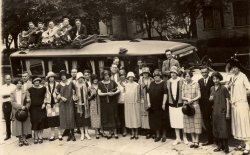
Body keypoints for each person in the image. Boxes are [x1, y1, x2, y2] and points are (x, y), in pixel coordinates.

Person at [228, 59, 250, 155]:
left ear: (238, 68)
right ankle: (242, 143)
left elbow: (249, 88)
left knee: (244, 124)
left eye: (235, 67)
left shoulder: (243, 76)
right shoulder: (232, 77)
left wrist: (243, 96)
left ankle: (248, 145)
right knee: (237, 125)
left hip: (242, 104)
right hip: (234, 105)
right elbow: (229, 89)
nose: (234, 69)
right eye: (232, 68)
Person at [166, 66, 188, 145]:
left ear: (177, 73)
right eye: (171, 73)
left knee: (182, 121)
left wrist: (185, 101)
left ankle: (184, 137)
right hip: (172, 104)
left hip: (180, 104)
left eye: (174, 72)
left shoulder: (181, 80)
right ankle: (177, 138)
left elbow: (185, 90)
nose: (172, 74)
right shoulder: (168, 81)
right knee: (175, 121)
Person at [210, 72, 230, 154]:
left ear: (220, 78)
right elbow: (211, 99)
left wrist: (228, 113)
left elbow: (228, 101)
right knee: (216, 129)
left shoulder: (224, 88)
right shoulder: (211, 88)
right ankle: (219, 146)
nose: (215, 80)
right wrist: (210, 99)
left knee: (224, 130)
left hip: (222, 112)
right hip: (215, 112)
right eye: (214, 79)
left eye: (217, 78)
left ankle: (226, 147)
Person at [182, 70, 202, 148]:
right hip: (187, 107)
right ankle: (193, 140)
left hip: (195, 105)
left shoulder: (196, 84)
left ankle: (197, 141)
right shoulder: (183, 85)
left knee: (196, 123)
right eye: (185, 76)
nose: (187, 78)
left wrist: (192, 100)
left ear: (191, 76)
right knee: (190, 123)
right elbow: (182, 96)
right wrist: (187, 99)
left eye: (188, 76)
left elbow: (199, 95)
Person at [98, 70, 120, 139]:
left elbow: (118, 89)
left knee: (113, 116)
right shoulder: (100, 83)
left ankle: (115, 133)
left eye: (108, 75)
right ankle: (110, 133)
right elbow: (99, 93)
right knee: (107, 117)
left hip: (112, 103)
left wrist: (114, 93)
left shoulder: (112, 82)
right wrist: (107, 94)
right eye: (105, 75)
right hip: (104, 103)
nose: (106, 76)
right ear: (103, 76)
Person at [147, 69, 168, 142]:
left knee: (163, 120)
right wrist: (149, 102)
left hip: (161, 105)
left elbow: (165, 93)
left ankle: (164, 135)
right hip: (153, 105)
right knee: (155, 120)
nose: (156, 77)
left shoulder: (164, 83)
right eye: (155, 76)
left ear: (160, 76)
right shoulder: (152, 83)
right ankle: (158, 135)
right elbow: (148, 93)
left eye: (158, 76)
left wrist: (164, 103)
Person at [10, 79, 31, 147]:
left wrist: (26, 107)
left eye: (20, 83)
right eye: (18, 83)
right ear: (15, 84)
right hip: (16, 111)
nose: (19, 84)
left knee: (25, 125)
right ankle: (20, 140)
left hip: (24, 111)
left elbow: (29, 101)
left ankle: (25, 139)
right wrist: (21, 106)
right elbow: (12, 102)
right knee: (18, 126)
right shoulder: (12, 92)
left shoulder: (25, 92)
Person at [56, 70, 76, 141]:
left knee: (71, 118)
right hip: (63, 104)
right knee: (65, 118)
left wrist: (74, 95)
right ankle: (69, 134)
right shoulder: (59, 85)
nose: (63, 77)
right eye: (61, 76)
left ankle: (73, 134)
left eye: (64, 75)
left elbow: (75, 90)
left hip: (70, 103)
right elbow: (56, 93)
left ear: (66, 76)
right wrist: (61, 97)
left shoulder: (71, 83)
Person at [28, 76, 47, 144]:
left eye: (38, 81)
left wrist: (44, 103)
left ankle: (40, 136)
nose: (37, 82)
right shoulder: (30, 89)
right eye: (35, 81)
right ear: (33, 82)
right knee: (35, 122)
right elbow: (28, 98)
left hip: (41, 108)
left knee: (41, 122)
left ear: (39, 81)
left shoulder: (43, 88)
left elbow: (45, 97)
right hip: (33, 108)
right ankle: (36, 137)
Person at [198, 66, 214, 146]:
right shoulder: (200, 81)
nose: (204, 74)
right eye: (202, 72)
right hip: (203, 105)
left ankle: (218, 140)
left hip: (213, 105)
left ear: (208, 72)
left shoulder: (213, 80)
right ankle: (210, 139)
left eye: (205, 72)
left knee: (215, 122)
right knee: (207, 123)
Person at [44, 72, 62, 141]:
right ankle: (52, 135)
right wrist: (46, 102)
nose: (51, 78)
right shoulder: (45, 85)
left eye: (52, 77)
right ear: (48, 78)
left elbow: (60, 93)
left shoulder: (58, 84)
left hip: (56, 103)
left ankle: (59, 134)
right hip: (49, 104)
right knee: (51, 120)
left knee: (57, 119)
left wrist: (58, 97)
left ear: (54, 78)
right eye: (50, 77)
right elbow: (44, 95)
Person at [138, 67, 154, 139]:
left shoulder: (152, 80)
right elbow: (138, 90)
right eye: (144, 73)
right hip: (143, 99)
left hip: (151, 99)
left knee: (152, 115)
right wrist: (140, 99)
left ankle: (153, 131)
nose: (145, 74)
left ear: (148, 73)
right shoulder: (140, 80)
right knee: (145, 116)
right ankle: (147, 132)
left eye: (146, 73)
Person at [74, 72, 91, 141]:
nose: (81, 79)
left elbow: (89, 94)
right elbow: (73, 95)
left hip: (86, 105)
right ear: (77, 79)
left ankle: (86, 133)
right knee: (80, 120)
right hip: (79, 105)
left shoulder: (86, 84)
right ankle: (82, 133)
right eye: (79, 78)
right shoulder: (75, 85)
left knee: (86, 119)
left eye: (82, 78)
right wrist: (75, 98)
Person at [124, 72, 141, 140]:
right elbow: (125, 94)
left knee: (135, 117)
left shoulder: (137, 85)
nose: (131, 78)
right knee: (130, 117)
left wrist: (137, 101)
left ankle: (136, 133)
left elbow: (138, 94)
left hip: (135, 103)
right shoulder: (126, 85)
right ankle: (132, 133)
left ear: (134, 77)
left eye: (132, 77)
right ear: (128, 78)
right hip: (128, 103)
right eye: (129, 77)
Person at [1, 75, 16, 140]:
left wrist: (8, 95)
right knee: (7, 119)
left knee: (16, 118)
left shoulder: (14, 86)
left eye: (9, 79)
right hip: (6, 104)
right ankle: (8, 134)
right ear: (5, 80)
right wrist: (10, 94)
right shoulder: (2, 87)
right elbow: (2, 95)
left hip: (12, 103)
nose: (8, 80)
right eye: (7, 79)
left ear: (11, 79)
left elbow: (14, 95)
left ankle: (17, 133)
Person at [89, 74, 101, 139]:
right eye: (94, 79)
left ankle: (100, 130)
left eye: (96, 79)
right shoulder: (90, 87)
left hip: (100, 103)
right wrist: (91, 95)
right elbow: (87, 98)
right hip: (93, 104)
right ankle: (96, 132)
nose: (95, 80)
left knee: (100, 116)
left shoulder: (100, 86)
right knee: (94, 117)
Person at [117, 69, 128, 137]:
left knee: (127, 116)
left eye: (123, 74)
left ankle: (127, 129)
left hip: (127, 102)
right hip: (120, 102)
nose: (122, 76)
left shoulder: (128, 82)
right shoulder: (117, 83)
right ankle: (123, 129)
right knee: (121, 117)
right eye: (121, 75)